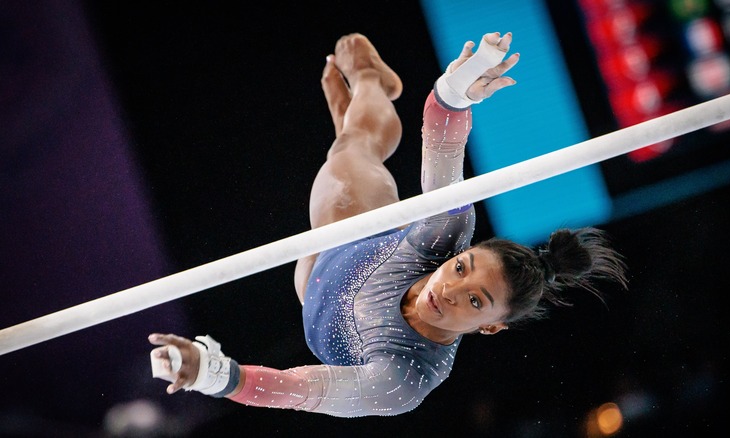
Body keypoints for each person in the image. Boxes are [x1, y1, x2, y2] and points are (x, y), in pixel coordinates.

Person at [148, 31, 628, 417]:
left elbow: (296, 388)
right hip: (355, 228)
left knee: (348, 146)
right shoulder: (447, 228)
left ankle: (353, 119)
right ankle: (371, 83)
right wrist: (458, 90)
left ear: (491, 328)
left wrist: (211, 373)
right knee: (349, 155)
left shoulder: (404, 380)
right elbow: (442, 144)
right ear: (459, 253)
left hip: (315, 291)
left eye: (476, 302)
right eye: (461, 269)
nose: (449, 290)